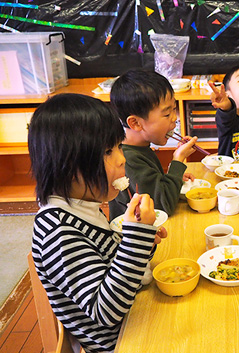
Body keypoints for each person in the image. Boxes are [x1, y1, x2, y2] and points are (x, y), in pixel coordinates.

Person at [28, 93, 167, 353]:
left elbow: (113, 267)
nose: (121, 159)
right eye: (107, 152)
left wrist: (143, 240)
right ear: (68, 165)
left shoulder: (83, 208)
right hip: (122, 342)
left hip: (136, 319)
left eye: (119, 146)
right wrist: (135, 240)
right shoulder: (58, 231)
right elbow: (106, 310)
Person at [108, 69, 197, 220]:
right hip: (134, 238)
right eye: (167, 114)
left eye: (174, 110)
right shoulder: (128, 159)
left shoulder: (138, 147)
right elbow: (162, 207)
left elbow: (153, 186)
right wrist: (178, 160)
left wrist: (173, 177)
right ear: (135, 123)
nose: (174, 118)